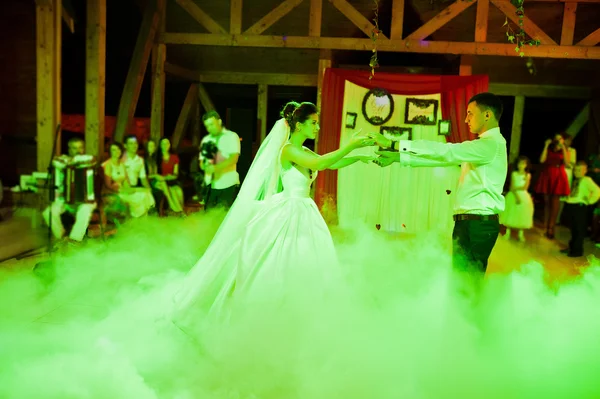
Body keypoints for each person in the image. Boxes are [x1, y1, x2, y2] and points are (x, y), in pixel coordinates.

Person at [172, 102, 375, 327]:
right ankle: (274, 312)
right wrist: (351, 146)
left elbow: (327, 164)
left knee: (306, 259)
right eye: (314, 123)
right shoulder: (288, 149)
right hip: (289, 210)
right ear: (298, 125)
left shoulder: (304, 151)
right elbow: (320, 162)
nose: (318, 128)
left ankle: (300, 310)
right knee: (282, 260)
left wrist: (358, 158)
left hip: (305, 210)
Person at [375, 92, 507, 275]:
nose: (466, 119)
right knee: (462, 282)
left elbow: (445, 151)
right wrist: (398, 157)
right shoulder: (484, 146)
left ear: (487, 115)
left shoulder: (490, 145)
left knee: (470, 283)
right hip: (470, 222)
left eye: (470, 113)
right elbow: (442, 159)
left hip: (479, 224)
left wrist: (394, 143)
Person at [42, 137, 96, 243]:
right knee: (48, 212)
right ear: (69, 149)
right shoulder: (61, 159)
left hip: (85, 199)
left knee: (85, 211)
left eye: (81, 148)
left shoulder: (89, 159)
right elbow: (56, 161)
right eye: (75, 148)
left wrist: (72, 162)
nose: (78, 151)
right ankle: (61, 237)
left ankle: (74, 240)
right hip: (64, 199)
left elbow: (92, 160)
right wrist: (72, 162)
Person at [199, 111, 241, 211]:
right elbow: (201, 162)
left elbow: (234, 158)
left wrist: (216, 168)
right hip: (210, 186)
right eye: (207, 126)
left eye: (212, 124)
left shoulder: (231, 136)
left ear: (220, 121)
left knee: (224, 219)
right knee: (209, 218)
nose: (209, 128)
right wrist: (205, 167)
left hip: (228, 184)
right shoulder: (206, 140)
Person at [101, 142, 155, 218]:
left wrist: (130, 189)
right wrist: (122, 190)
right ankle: (135, 219)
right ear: (110, 152)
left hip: (124, 189)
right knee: (136, 198)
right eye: (113, 150)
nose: (117, 151)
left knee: (145, 192)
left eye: (118, 149)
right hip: (113, 192)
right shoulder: (108, 165)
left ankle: (143, 219)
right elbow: (108, 185)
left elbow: (126, 181)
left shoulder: (122, 164)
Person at [560, 161, 600, 257]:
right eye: (575, 170)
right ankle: (572, 247)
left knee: (579, 229)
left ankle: (577, 251)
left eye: (579, 170)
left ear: (585, 171)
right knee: (573, 229)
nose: (576, 172)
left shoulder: (587, 180)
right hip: (572, 205)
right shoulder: (575, 180)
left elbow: (597, 191)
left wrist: (589, 201)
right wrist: (566, 198)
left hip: (580, 206)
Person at [534, 133, 571, 238]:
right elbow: (541, 160)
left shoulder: (565, 150)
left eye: (560, 139)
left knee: (555, 204)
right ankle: (545, 226)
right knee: (546, 203)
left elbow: (567, 164)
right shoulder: (549, 149)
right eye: (556, 138)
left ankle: (551, 228)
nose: (558, 140)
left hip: (558, 175)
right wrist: (546, 145)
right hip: (547, 174)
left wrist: (563, 147)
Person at [500, 156, 534, 242]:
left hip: (523, 195)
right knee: (510, 212)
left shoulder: (528, 175)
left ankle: (520, 233)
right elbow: (511, 186)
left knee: (522, 213)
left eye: (523, 163)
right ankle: (507, 232)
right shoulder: (514, 174)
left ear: (526, 165)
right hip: (513, 194)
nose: (521, 165)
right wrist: (515, 193)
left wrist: (516, 188)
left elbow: (525, 187)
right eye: (520, 163)